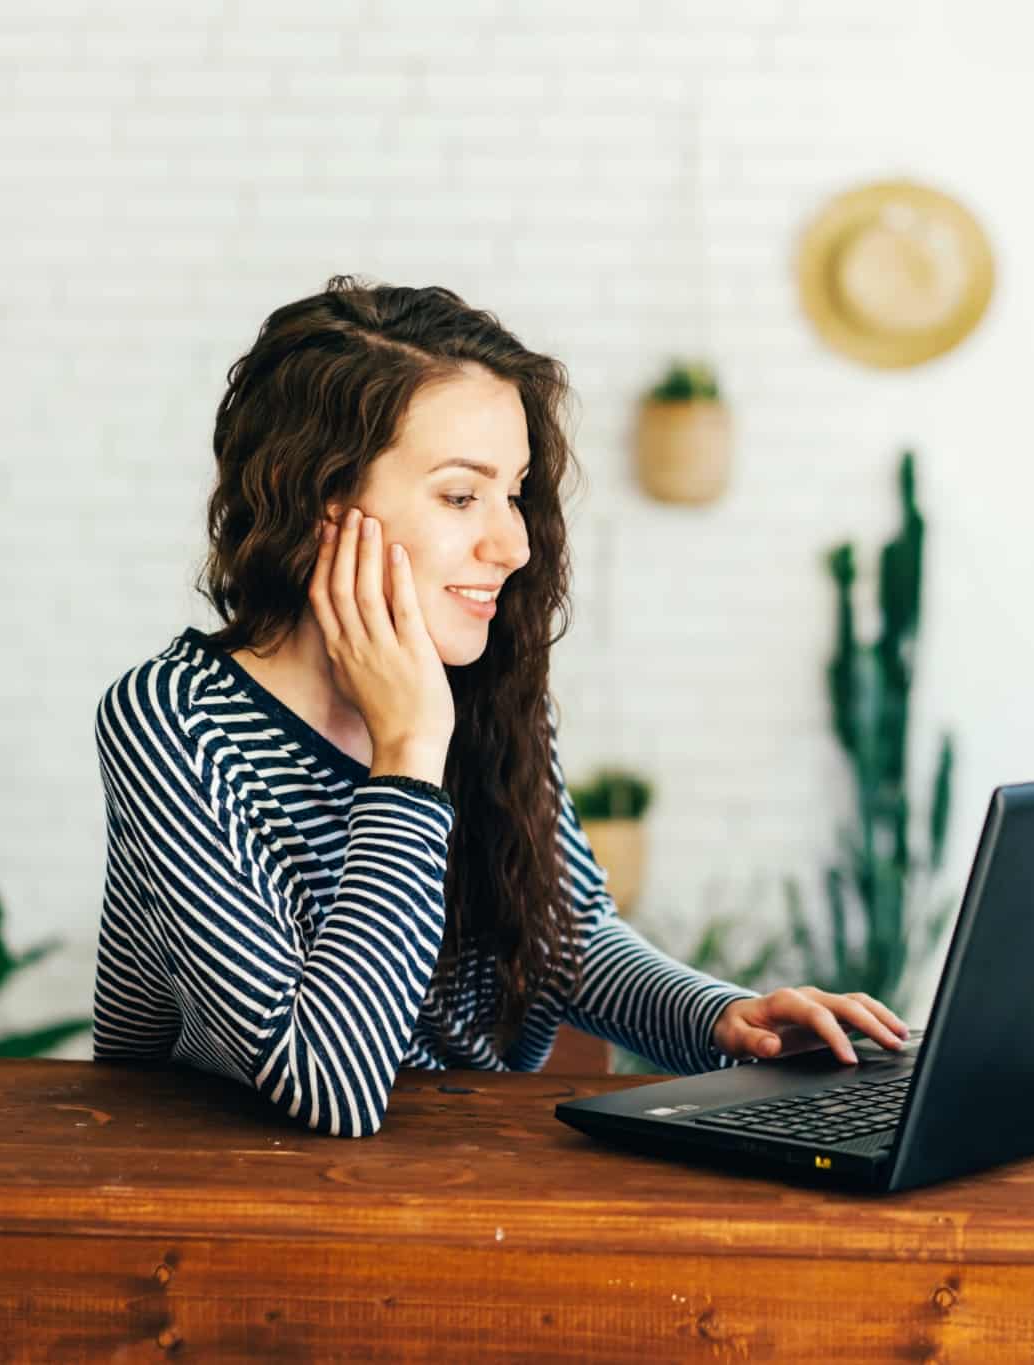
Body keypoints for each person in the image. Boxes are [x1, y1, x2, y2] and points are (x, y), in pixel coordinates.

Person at [91, 277, 907, 1137]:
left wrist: (723, 1018)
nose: (514, 544)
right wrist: (409, 751)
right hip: (230, 1181)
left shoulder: (482, 679)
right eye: (459, 496)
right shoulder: (173, 721)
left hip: (458, 1162)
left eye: (513, 492)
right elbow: (330, 1083)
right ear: (319, 500)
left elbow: (559, 936)